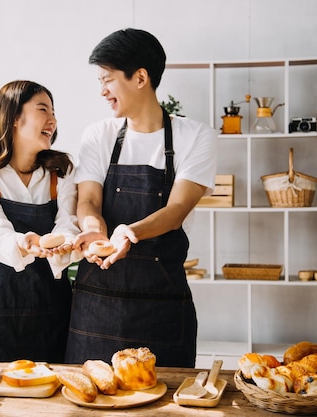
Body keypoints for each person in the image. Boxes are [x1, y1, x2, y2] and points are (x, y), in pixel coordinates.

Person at [65, 28, 218, 367]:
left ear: (140, 77)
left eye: (107, 79)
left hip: (161, 311)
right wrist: (95, 230)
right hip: (97, 309)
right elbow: (88, 201)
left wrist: (128, 233)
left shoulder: (195, 137)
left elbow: (176, 209)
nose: (102, 90)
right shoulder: (98, 135)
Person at [0, 80, 81, 362]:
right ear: (15, 117)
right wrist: (26, 243)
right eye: (43, 109)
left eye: (54, 112)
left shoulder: (60, 172)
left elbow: (68, 223)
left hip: (56, 313)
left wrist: (64, 242)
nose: (52, 120)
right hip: (1, 315)